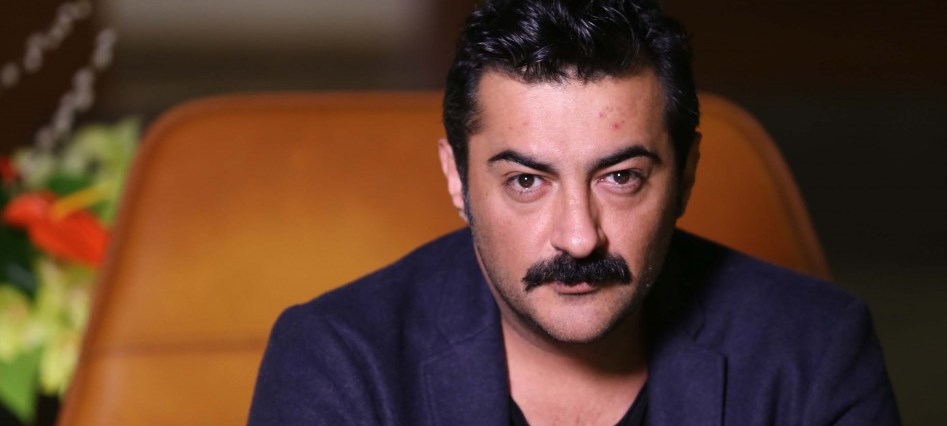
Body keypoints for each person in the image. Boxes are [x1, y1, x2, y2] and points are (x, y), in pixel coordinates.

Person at [248, 0, 900, 424]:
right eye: (527, 181)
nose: (579, 237)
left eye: (620, 178)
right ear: (457, 178)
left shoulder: (815, 351)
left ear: (686, 175)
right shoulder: (338, 363)